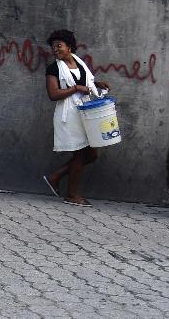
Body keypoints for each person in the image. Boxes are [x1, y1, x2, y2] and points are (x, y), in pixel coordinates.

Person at [41, 29, 111, 207]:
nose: (55, 50)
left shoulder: (80, 64)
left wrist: (96, 84)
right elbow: (53, 94)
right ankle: (72, 195)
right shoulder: (54, 68)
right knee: (80, 154)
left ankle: (55, 177)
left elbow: (84, 82)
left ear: (69, 46)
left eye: (59, 46)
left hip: (85, 112)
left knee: (92, 154)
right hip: (70, 114)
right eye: (53, 47)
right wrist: (75, 89)